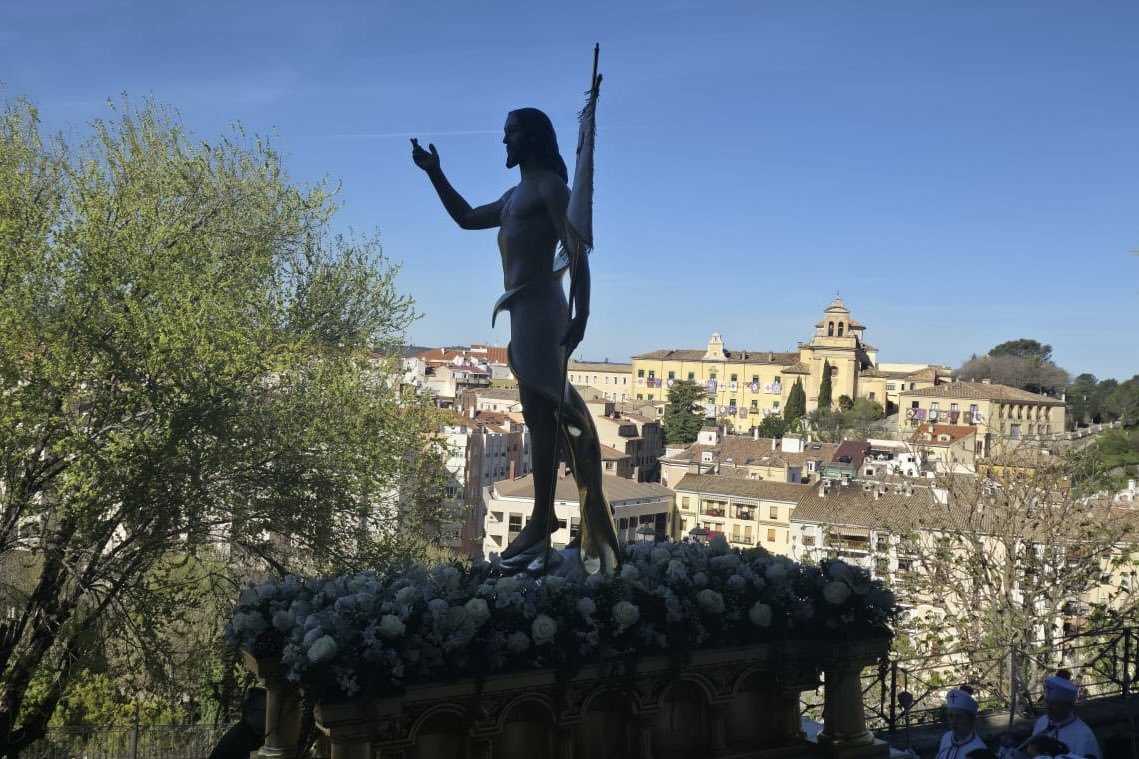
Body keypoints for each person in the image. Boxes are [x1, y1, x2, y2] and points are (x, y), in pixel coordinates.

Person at [411, 108, 619, 575]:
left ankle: (548, 516)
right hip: (522, 313)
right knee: (536, 414)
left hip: (543, 312)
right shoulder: (511, 196)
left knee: (550, 412)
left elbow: (577, 247)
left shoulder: (548, 187)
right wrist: (435, 173)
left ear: (532, 138)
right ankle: (544, 517)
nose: (504, 142)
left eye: (511, 133)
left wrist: (581, 313)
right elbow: (465, 218)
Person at [1030, 671, 1100, 759]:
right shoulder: (1041, 722)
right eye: (1047, 702)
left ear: (1069, 706)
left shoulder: (1084, 737)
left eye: (1054, 703)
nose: (1049, 707)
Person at [209, 687, 265, 759]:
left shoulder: (252, 733)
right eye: (266, 710)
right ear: (251, 712)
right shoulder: (240, 739)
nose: (271, 716)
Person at [936, 686, 988, 759]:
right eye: (950, 716)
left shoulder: (979, 750)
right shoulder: (946, 737)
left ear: (970, 719)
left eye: (959, 717)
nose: (953, 722)